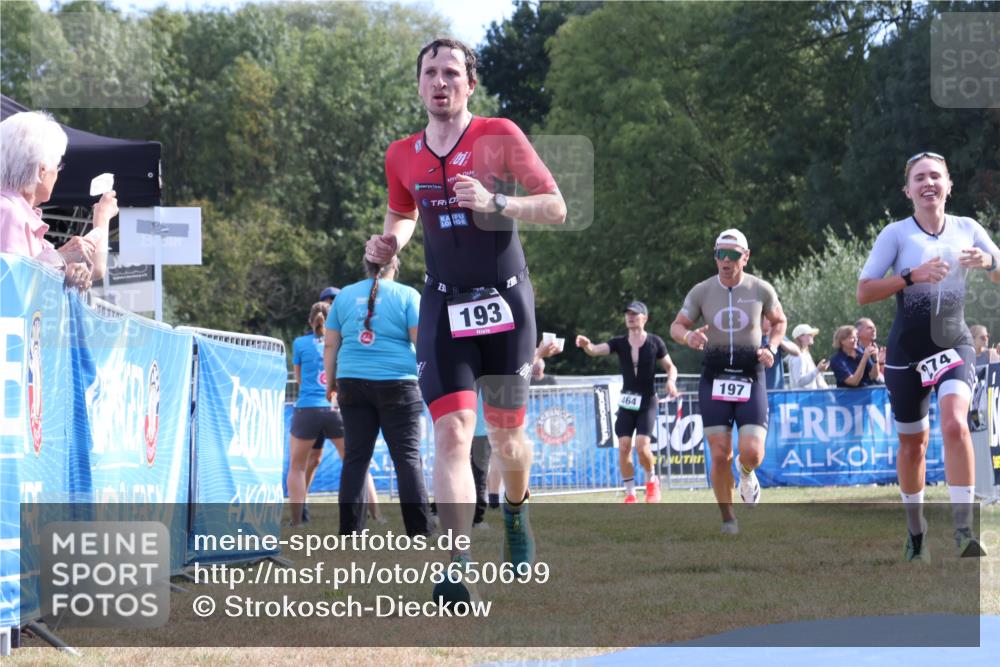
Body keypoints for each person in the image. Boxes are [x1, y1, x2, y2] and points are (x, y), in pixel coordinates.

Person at [365, 37, 566, 601]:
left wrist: (498, 203)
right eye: (431, 72)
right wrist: (390, 245)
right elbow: (402, 212)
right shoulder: (401, 153)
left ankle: (517, 515)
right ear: (419, 83)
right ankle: (454, 565)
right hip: (442, 304)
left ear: (469, 84)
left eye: (452, 72)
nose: (440, 82)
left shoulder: (498, 135)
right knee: (451, 432)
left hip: (505, 303)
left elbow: (555, 206)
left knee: (508, 439)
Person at [857, 151, 1000, 562]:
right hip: (907, 353)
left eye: (936, 176)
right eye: (919, 178)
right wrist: (909, 277)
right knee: (913, 446)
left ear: (949, 184)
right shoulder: (896, 235)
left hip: (954, 342)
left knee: (955, 424)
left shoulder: (968, 228)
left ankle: (963, 531)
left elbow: (998, 267)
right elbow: (864, 291)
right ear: (908, 190)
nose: (928, 183)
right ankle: (916, 531)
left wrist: (988, 260)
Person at [670, 229, 787, 534]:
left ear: (745, 257)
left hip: (751, 375)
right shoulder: (702, 291)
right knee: (720, 452)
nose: (725, 260)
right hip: (715, 377)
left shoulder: (761, 289)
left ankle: (747, 473)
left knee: (752, 452)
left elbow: (780, 321)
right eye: (720, 253)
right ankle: (728, 518)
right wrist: (688, 336)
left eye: (732, 254)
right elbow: (677, 326)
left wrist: (771, 347)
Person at [324, 255, 433, 537]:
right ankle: (419, 530)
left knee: (356, 458)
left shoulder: (345, 295)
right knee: (407, 458)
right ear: (395, 266)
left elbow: (330, 345)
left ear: (366, 266)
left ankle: (350, 530)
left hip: (351, 381)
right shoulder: (407, 295)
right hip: (398, 382)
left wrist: (331, 383)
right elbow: (420, 342)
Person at [286, 301, 382, 527]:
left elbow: (299, 380)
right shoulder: (340, 342)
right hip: (336, 407)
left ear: (310, 321)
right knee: (356, 463)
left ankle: (297, 521)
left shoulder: (299, 343)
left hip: (308, 408)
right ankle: (376, 516)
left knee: (298, 466)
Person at [1, 111, 117, 289]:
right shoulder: (7, 211)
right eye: (58, 166)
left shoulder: (20, 215)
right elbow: (9, 282)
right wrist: (61, 257)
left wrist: (70, 272)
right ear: (41, 170)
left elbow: (95, 269)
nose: (57, 174)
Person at [576, 301, 678, 503]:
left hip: (648, 401)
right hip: (627, 402)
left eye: (635, 314)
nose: (630, 317)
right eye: (628, 314)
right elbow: (596, 350)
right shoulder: (619, 342)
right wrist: (586, 345)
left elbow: (670, 366)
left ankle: (652, 482)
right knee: (623, 446)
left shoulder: (655, 342)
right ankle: (630, 493)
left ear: (645, 318)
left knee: (642, 445)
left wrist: (671, 381)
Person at [760, 316, 799, 389]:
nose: (771, 322)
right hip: (758, 390)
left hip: (776, 389)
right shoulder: (751, 338)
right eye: (767, 318)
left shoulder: (775, 336)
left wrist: (777, 340)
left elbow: (796, 351)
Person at [788, 324, 829, 389]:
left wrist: (828, 392)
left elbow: (817, 378)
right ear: (800, 337)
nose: (812, 336)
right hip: (802, 398)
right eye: (810, 334)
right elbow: (800, 381)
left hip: (807, 397)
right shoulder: (798, 357)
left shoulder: (806, 354)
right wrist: (818, 369)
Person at [855, 317, 886, 381]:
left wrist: (881, 363)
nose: (874, 330)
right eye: (869, 328)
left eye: (874, 327)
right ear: (858, 333)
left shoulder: (881, 350)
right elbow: (873, 377)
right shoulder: (854, 352)